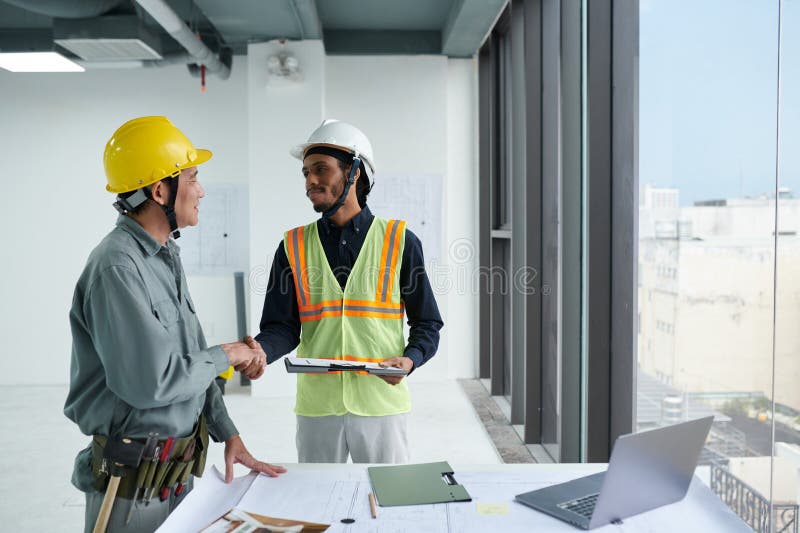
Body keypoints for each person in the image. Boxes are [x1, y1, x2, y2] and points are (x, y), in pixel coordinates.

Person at [64, 116, 286, 532]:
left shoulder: (165, 257)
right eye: (193, 177)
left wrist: (228, 433)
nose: (201, 190)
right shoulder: (117, 268)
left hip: (177, 477)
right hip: (130, 491)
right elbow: (151, 383)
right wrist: (230, 353)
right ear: (160, 189)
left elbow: (189, 363)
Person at [255, 119, 444, 463]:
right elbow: (281, 328)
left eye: (321, 169)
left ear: (355, 172)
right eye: (306, 172)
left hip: (380, 404)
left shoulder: (400, 241)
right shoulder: (292, 245)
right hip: (318, 407)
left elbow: (427, 323)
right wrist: (258, 352)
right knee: (318, 503)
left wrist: (411, 359)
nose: (311, 181)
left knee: (386, 499)